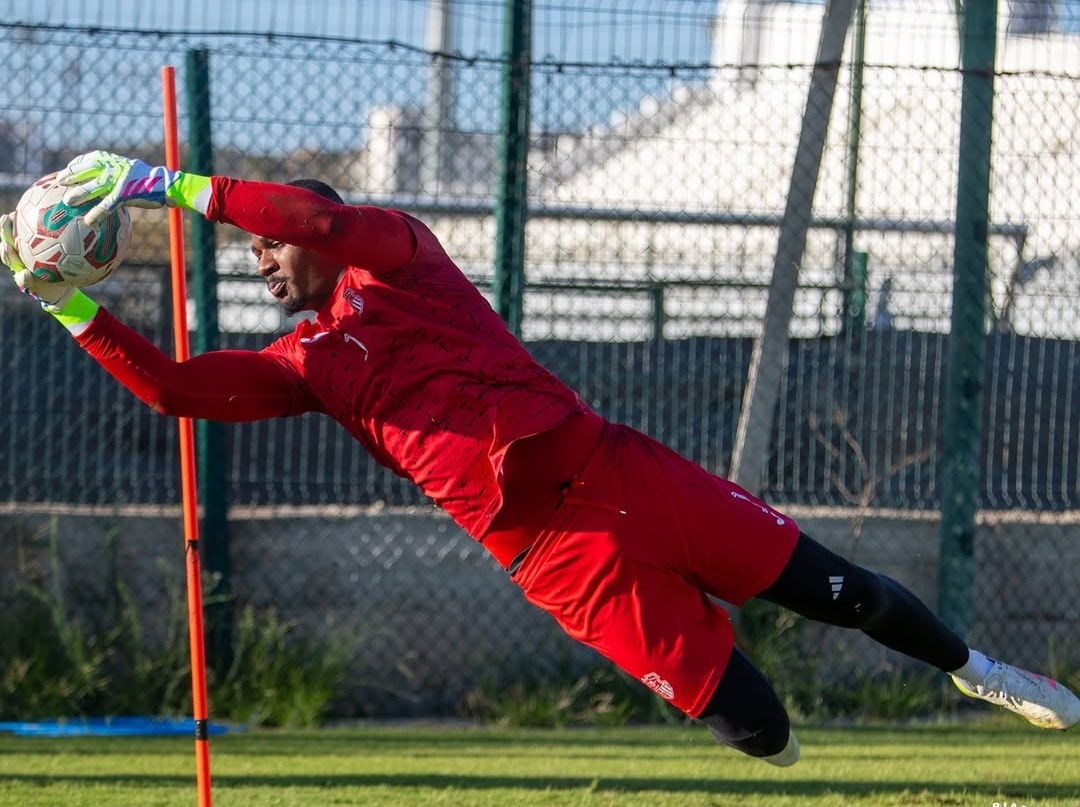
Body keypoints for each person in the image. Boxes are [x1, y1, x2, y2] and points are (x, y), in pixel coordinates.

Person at [3, 150, 1077, 765]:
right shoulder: (306, 363)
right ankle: (711, 627)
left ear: (318, 231)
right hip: (557, 556)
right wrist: (65, 302)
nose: (260, 252)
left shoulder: (401, 257)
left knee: (846, 595)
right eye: (253, 248)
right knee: (762, 731)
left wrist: (157, 182)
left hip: (621, 472)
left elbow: (299, 215)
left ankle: (985, 673)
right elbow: (177, 390)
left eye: (269, 241)